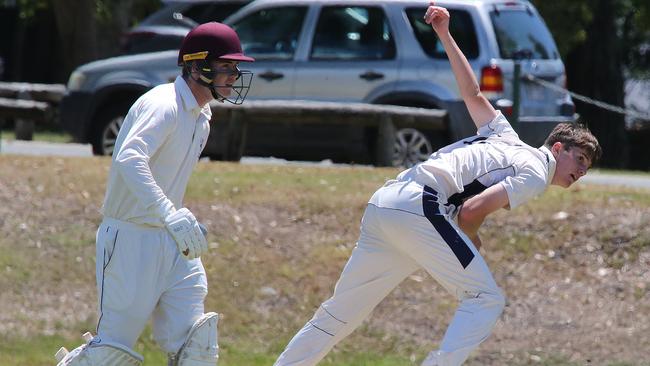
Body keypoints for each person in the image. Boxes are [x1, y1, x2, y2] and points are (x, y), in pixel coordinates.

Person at [274, 3, 602, 366]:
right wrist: (472, 239)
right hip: (420, 208)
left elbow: (472, 93)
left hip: (387, 201)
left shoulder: (506, 136)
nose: (581, 171)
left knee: (340, 314)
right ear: (557, 148)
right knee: (485, 299)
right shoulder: (538, 171)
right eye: (580, 160)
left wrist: (445, 33)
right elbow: (471, 211)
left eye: (587, 169)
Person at [55, 22, 254, 365]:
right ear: (196, 66)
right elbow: (129, 157)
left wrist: (175, 217)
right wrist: (168, 212)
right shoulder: (164, 104)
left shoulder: (201, 116)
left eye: (235, 67)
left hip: (172, 241)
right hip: (131, 239)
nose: (234, 74)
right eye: (226, 66)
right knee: (111, 353)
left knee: (196, 346)